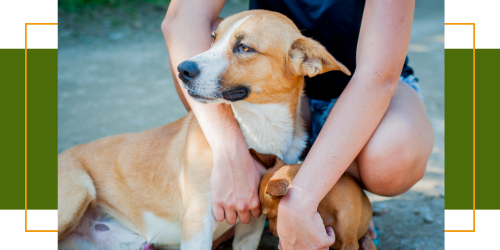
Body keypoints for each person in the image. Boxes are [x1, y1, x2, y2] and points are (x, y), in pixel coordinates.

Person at [162, 0, 434, 249]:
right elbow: (182, 19)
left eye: (242, 48)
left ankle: (341, 198)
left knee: (389, 158)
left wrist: (301, 202)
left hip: (364, 87)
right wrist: (230, 152)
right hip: (282, 89)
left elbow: (377, 79)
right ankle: (258, 185)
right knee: (196, 31)